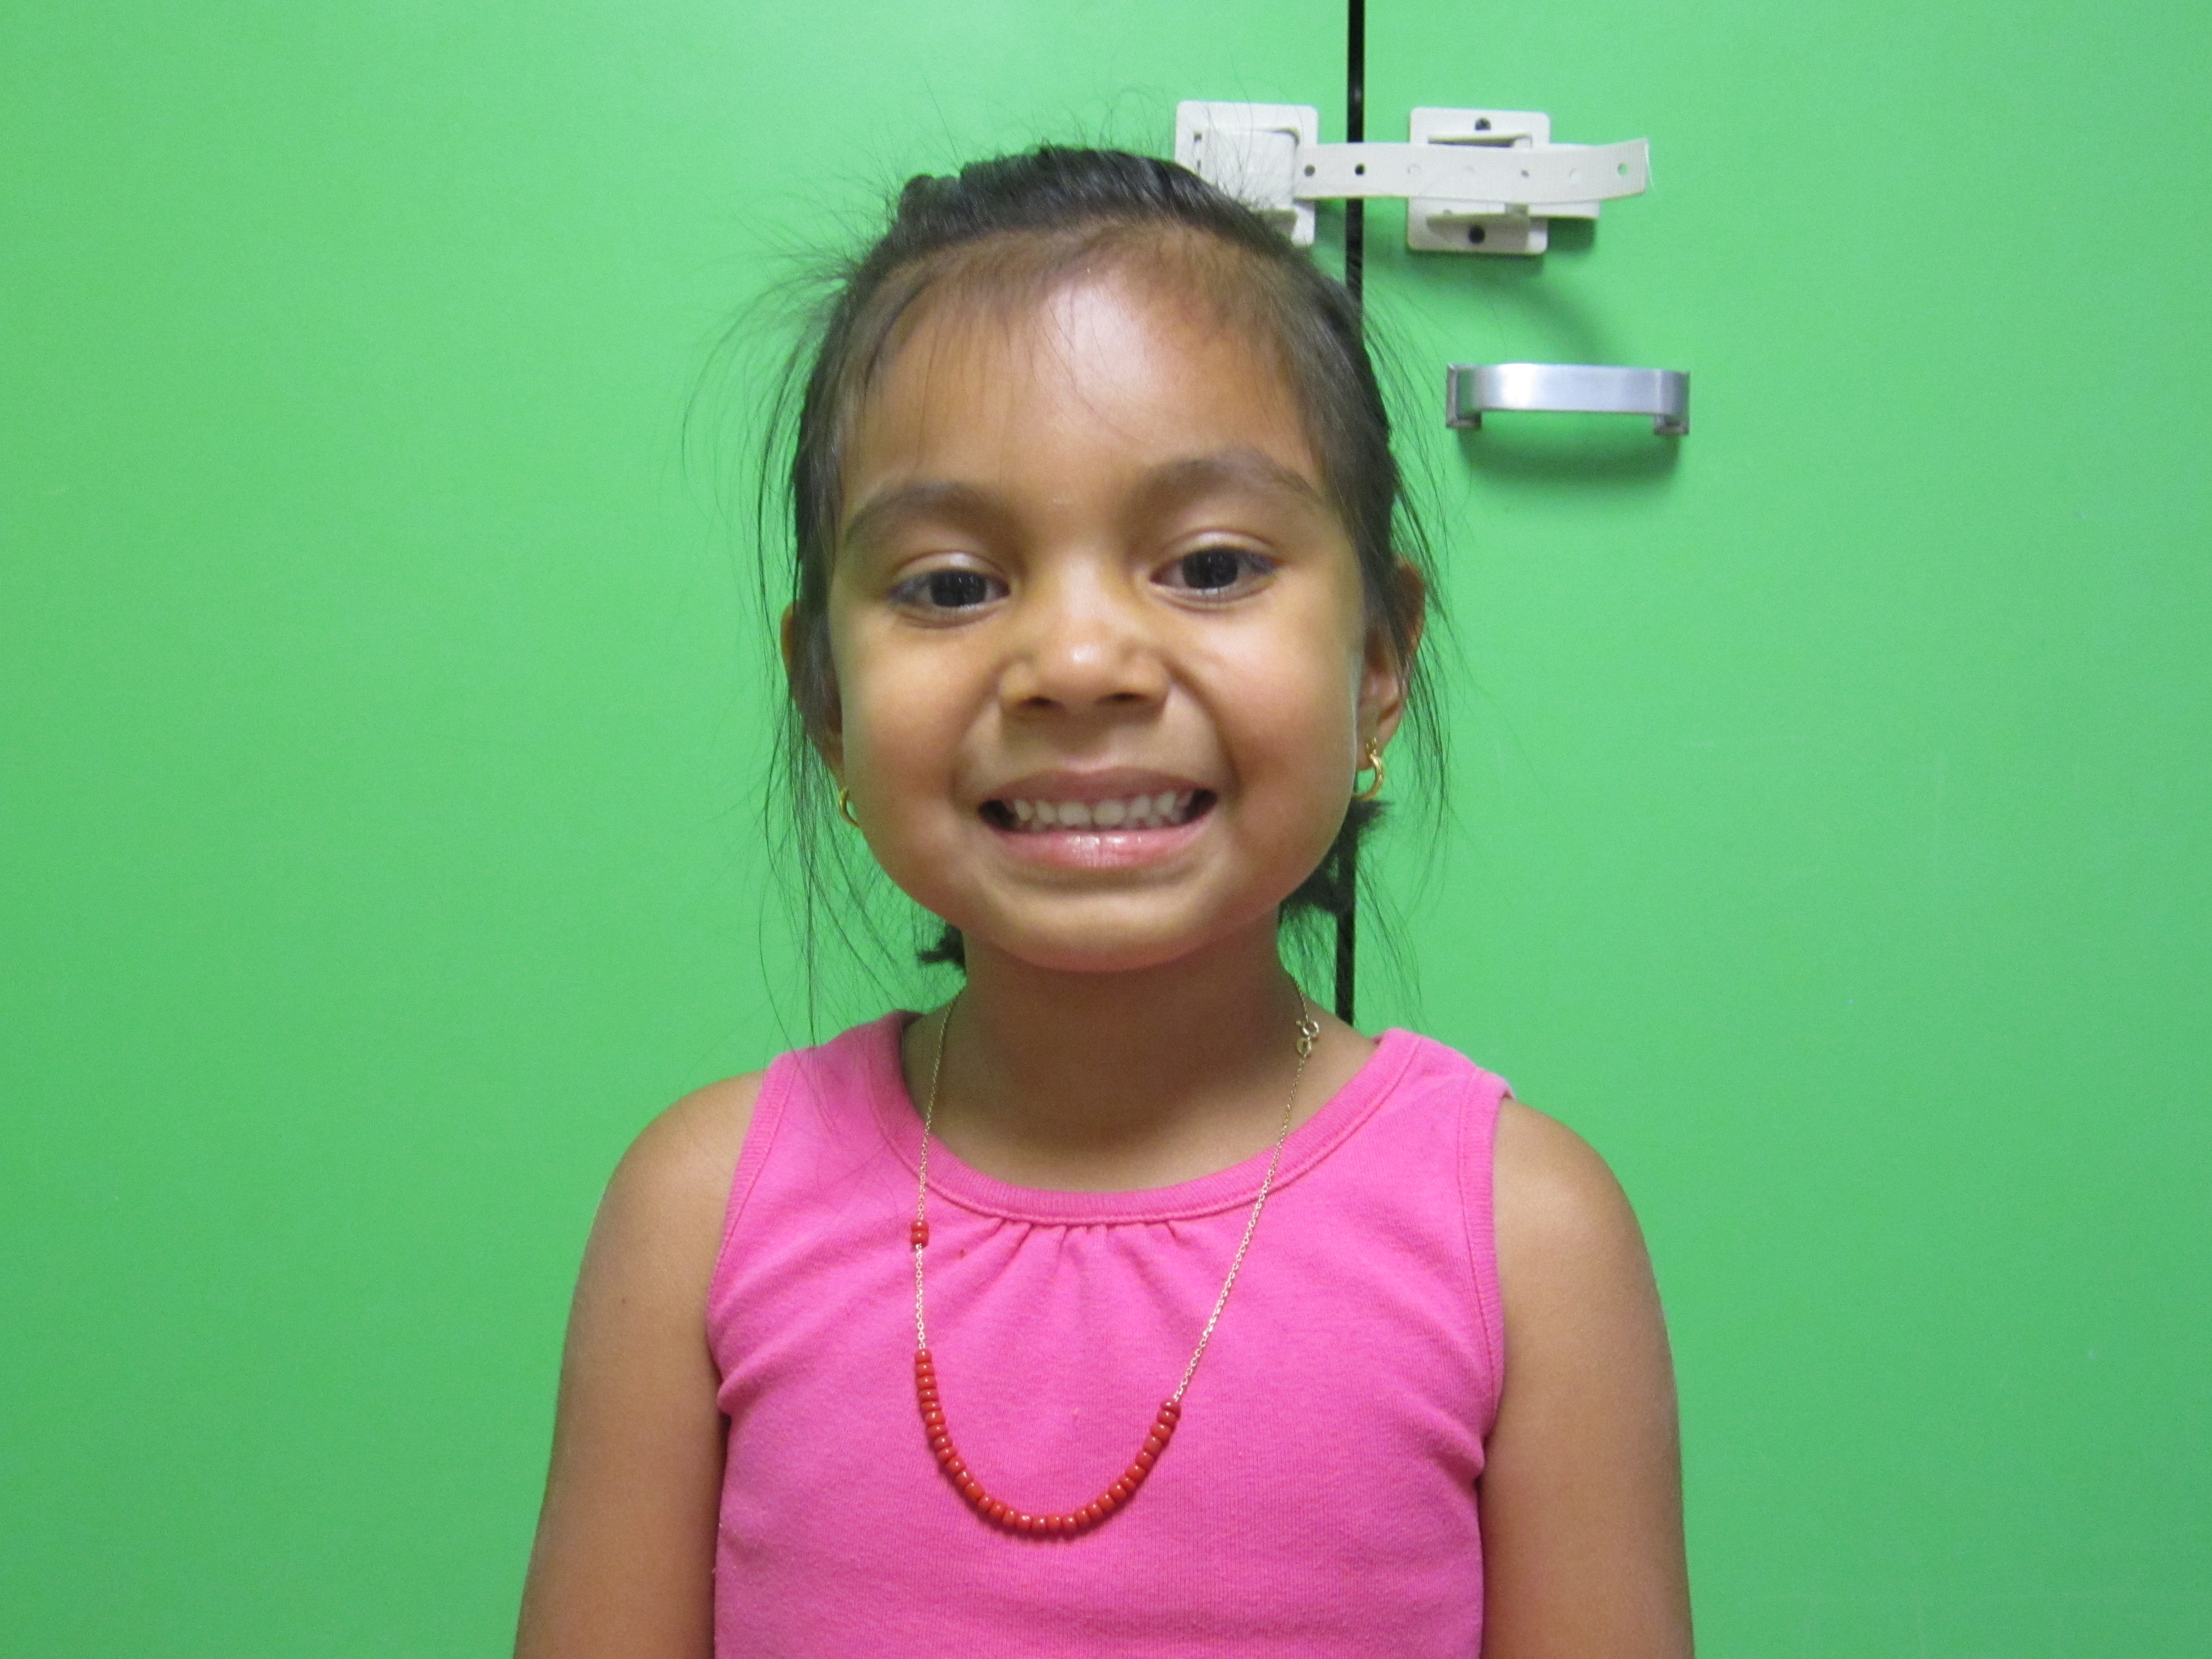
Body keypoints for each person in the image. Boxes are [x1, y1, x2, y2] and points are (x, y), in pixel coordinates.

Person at [515, 145, 1690, 1658]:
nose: (1078, 665)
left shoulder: (1526, 1237)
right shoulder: (700, 1213)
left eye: (1209, 564)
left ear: (1377, 664)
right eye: (951, 585)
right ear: (826, 700)